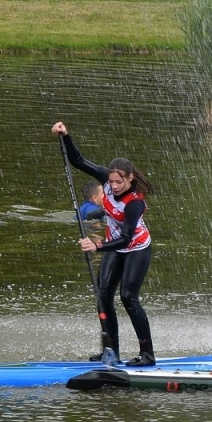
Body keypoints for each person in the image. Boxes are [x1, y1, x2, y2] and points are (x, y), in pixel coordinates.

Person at [52, 121, 156, 367]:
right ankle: (111, 351)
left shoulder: (135, 202)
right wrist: (65, 136)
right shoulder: (107, 180)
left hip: (136, 249)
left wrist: (96, 246)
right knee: (103, 295)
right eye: (112, 182)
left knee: (128, 297)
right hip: (114, 245)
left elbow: (127, 238)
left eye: (120, 183)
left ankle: (148, 354)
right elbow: (78, 161)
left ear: (129, 179)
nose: (115, 186)